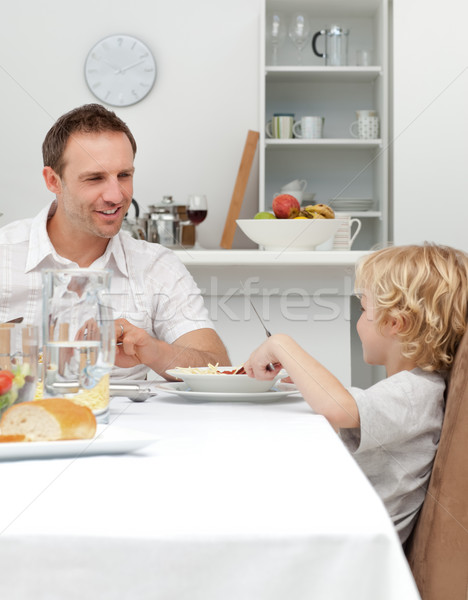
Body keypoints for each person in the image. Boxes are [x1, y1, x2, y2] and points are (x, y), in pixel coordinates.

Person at [244, 243, 468, 543]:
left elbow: (340, 408)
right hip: (351, 530)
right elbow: (353, 406)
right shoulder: (419, 388)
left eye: (363, 310)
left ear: (394, 323)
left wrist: (281, 344)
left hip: (353, 545)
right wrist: (308, 382)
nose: (358, 320)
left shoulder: (415, 393)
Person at [0, 104, 229, 379]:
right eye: (95, 178)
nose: (116, 195)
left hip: (127, 422)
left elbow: (217, 368)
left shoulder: (157, 267)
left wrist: (154, 351)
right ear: (53, 180)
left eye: (124, 175)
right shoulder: (5, 254)